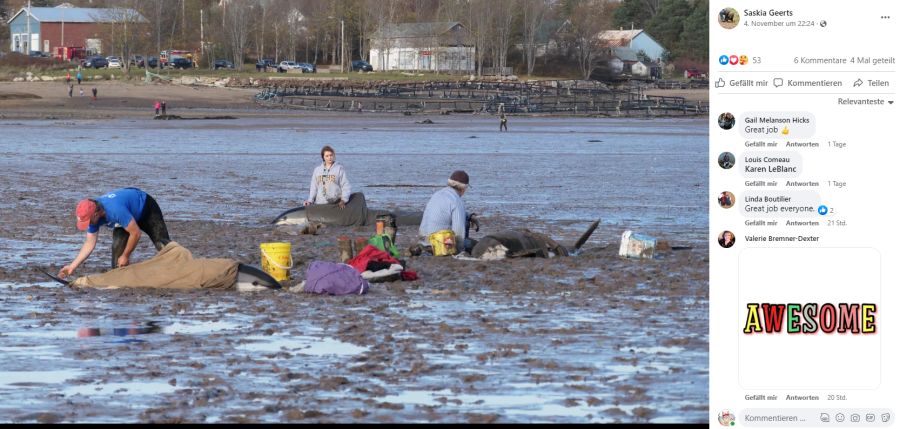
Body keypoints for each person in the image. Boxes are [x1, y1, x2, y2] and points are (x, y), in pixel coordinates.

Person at [58, 187, 171, 278]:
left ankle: (181, 267)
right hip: (125, 219)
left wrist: (126, 255)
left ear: (96, 214)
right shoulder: (93, 215)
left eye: (88, 221)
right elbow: (89, 243)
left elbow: (136, 233)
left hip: (145, 207)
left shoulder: (114, 210)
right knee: (117, 254)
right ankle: (122, 280)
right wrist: (72, 266)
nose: (88, 224)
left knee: (162, 244)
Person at [418, 170, 471, 253]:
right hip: (439, 245)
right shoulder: (456, 200)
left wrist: (468, 215)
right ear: (463, 188)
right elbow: (458, 233)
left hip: (423, 242)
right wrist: (461, 250)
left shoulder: (437, 194)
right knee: (471, 243)